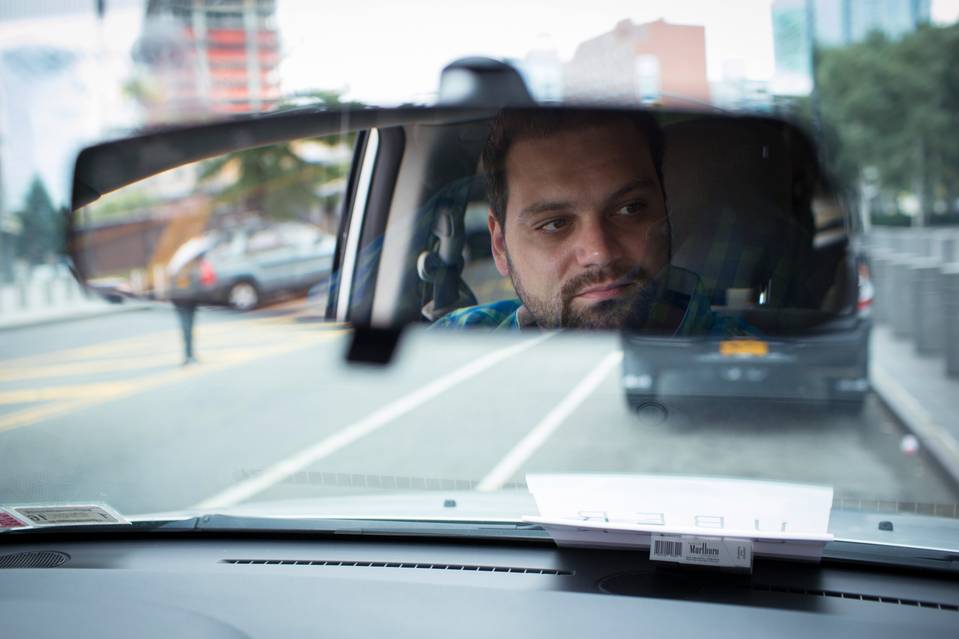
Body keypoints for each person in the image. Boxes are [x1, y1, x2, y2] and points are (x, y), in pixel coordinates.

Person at [434, 109, 740, 336]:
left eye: (630, 208)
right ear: (500, 246)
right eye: (554, 224)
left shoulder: (756, 367)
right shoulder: (454, 345)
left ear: (664, 208)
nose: (600, 252)